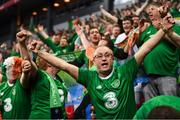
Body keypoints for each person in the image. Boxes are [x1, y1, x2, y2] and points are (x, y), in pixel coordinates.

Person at [29, 14, 173, 119]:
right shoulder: (89, 77)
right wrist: (39, 52)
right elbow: (64, 65)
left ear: (113, 58)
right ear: (94, 60)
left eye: (107, 55)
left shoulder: (126, 71)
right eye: (99, 56)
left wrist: (164, 30)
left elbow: (146, 47)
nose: (103, 58)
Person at [140, 3, 180, 101]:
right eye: (148, 10)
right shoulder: (147, 30)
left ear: (161, 10)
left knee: (170, 108)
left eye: (152, 8)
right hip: (148, 77)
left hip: (167, 75)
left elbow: (178, 43)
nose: (149, 11)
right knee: (151, 110)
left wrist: (161, 29)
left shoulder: (172, 25)